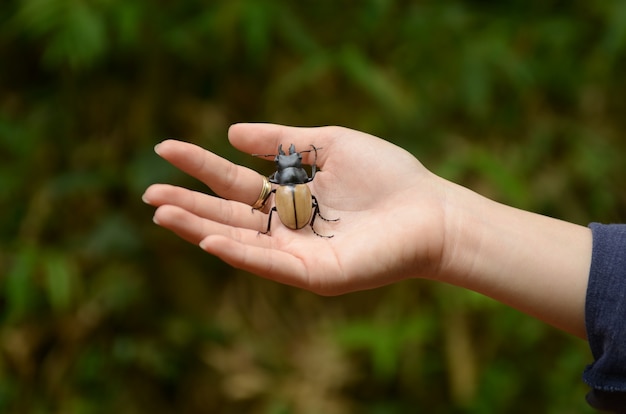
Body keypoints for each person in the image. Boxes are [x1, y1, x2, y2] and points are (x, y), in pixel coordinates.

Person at [142, 123, 626, 412]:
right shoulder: (302, 185)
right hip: (303, 211)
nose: (291, 164)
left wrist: (448, 226)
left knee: (276, 209)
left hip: (287, 210)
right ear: (299, 173)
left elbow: (276, 195)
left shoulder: (279, 187)